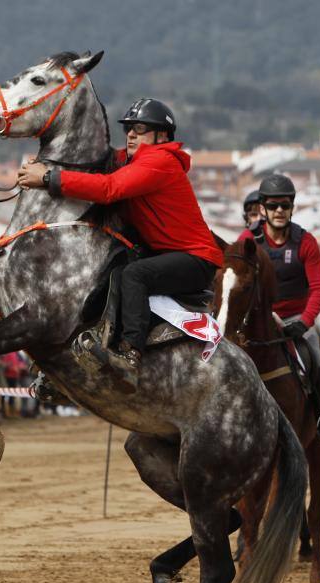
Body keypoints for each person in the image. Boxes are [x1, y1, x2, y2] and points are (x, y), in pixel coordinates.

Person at [17, 98, 223, 391]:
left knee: (133, 275)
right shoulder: (134, 160)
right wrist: (45, 160)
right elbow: (94, 160)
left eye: (140, 129)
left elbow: (108, 188)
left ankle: (130, 356)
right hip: (165, 255)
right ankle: (74, 362)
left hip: (195, 260)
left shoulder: (160, 161)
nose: (131, 135)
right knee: (107, 275)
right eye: (129, 129)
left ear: (161, 137)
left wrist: (49, 177)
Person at [239, 173, 320, 443]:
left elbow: (319, 288)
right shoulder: (247, 240)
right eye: (273, 206)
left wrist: (305, 321)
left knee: (317, 357)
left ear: (292, 207)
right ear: (262, 209)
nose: (279, 211)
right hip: (260, 319)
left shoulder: (305, 242)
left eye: (285, 205)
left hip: (296, 318)